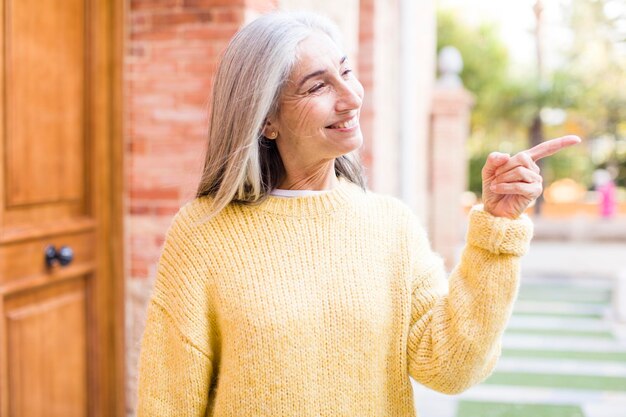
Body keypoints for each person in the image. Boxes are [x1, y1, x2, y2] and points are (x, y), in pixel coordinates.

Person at [136, 11, 580, 417]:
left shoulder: (391, 225)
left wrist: (497, 228)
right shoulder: (203, 232)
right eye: (318, 85)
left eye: (346, 71)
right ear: (267, 120)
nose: (350, 96)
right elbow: (168, 401)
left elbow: (449, 367)